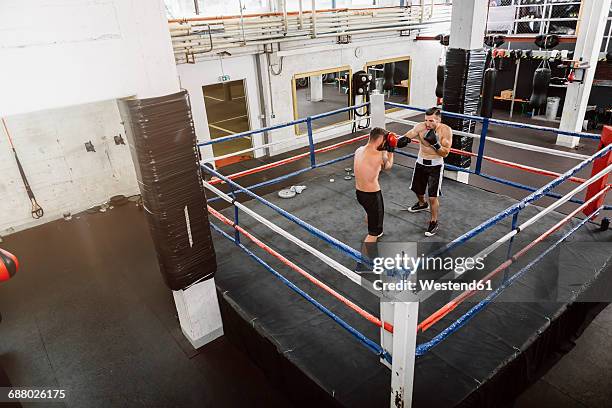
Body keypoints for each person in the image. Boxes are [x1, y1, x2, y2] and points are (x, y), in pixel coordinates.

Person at [395, 107, 452, 236]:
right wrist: (399, 141)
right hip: (420, 163)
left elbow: (445, 153)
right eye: (426, 120)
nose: (428, 124)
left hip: (435, 166)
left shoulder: (445, 131)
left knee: (432, 197)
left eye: (431, 121)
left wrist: (435, 144)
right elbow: (408, 135)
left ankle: (434, 221)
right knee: (417, 189)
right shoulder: (420, 127)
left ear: (439, 120)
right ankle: (422, 204)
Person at [354, 127, 395, 242]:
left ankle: (374, 226)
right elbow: (388, 166)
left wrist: (384, 150)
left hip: (359, 194)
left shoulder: (359, 150)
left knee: (370, 212)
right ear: (380, 140)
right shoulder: (379, 156)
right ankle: (364, 258)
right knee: (373, 234)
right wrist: (391, 151)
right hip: (372, 196)